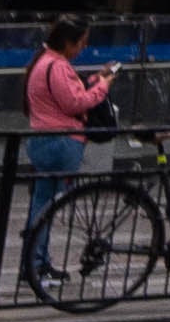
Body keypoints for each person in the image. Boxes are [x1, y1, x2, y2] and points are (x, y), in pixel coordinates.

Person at [19, 18, 119, 286]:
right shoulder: (57, 66)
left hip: (43, 140)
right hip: (61, 143)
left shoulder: (43, 63)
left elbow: (66, 95)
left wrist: (94, 80)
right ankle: (35, 267)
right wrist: (103, 86)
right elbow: (76, 103)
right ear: (67, 41)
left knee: (42, 205)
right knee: (47, 207)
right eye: (81, 43)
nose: (83, 48)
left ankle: (34, 264)